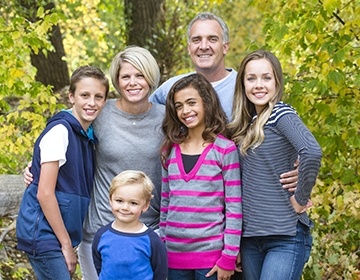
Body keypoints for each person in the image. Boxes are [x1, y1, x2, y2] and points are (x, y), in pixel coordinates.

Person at [22, 46, 165, 279]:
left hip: (151, 229)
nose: (133, 82)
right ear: (117, 82)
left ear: (151, 77)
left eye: (140, 75)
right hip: (100, 229)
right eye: (125, 76)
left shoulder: (167, 117)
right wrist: (33, 166)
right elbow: (64, 128)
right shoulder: (101, 113)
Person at [228, 50, 322, 280]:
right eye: (251, 78)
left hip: (285, 235)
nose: (259, 85)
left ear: (277, 81)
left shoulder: (281, 113)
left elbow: (311, 151)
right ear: (243, 83)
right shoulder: (246, 125)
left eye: (266, 78)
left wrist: (300, 198)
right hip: (250, 238)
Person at [16, 65, 109, 280]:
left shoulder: (87, 136)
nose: (91, 103)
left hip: (58, 235)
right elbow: (44, 193)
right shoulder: (61, 131)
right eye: (84, 95)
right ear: (71, 97)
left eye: (99, 97)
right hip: (43, 234)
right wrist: (66, 245)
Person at [160, 73, 242, 280]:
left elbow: (234, 207)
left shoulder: (225, 149)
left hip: (212, 259)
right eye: (178, 106)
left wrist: (229, 256)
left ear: (206, 102)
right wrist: (162, 242)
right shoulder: (169, 150)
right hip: (173, 257)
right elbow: (166, 201)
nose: (185, 111)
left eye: (191, 103)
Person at [92, 170, 168, 280]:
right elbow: (100, 266)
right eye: (119, 201)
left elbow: (160, 273)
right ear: (110, 200)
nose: (125, 207)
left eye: (133, 203)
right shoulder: (101, 235)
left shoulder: (152, 240)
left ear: (145, 206)